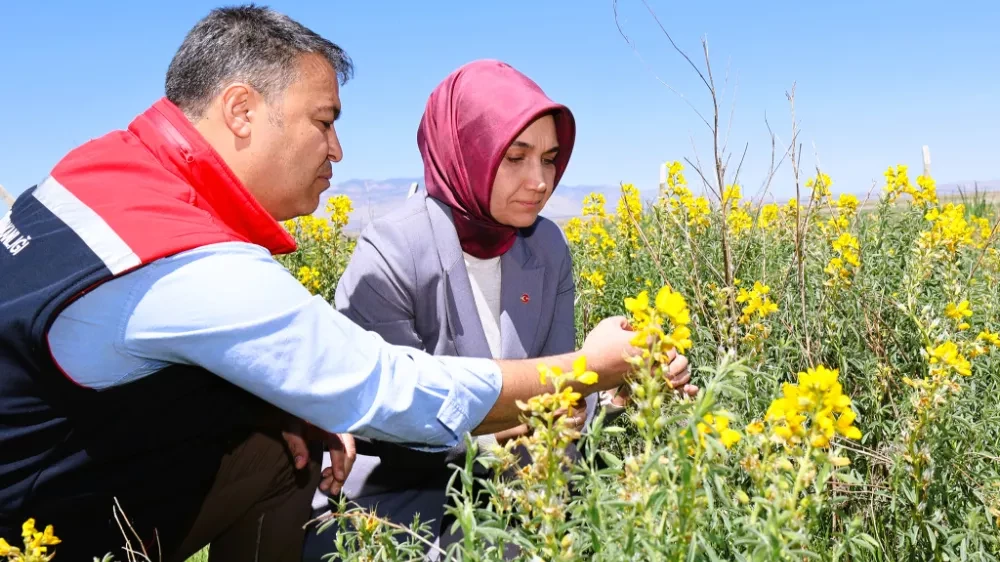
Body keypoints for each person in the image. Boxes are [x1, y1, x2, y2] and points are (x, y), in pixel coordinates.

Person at [0, 7, 654, 562]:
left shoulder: (101, 174)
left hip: (53, 473)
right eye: (323, 121)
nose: (337, 149)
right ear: (241, 110)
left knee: (279, 445)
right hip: (30, 529)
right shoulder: (186, 258)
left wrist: (271, 408)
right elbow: (386, 390)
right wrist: (590, 369)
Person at [302, 60, 696, 560]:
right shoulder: (391, 250)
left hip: (527, 490)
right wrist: (571, 382)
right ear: (466, 152)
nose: (540, 181)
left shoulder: (547, 246)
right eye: (515, 157)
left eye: (549, 159)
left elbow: (559, 396)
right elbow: (391, 419)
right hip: (404, 507)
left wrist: (619, 389)